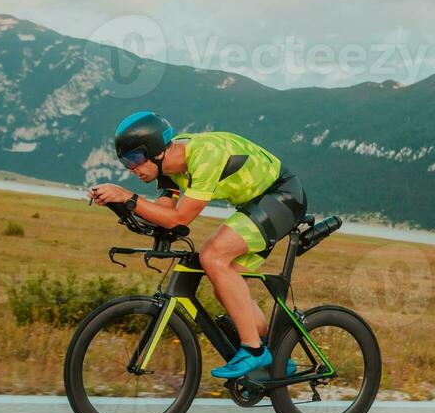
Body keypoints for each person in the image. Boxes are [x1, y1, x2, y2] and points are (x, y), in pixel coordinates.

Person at [89, 111, 307, 379]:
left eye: (134, 158)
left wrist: (126, 195)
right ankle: (277, 354)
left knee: (213, 257)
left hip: (281, 196)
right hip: (254, 203)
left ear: (157, 151)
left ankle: (253, 351)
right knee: (225, 285)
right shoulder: (168, 168)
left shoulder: (205, 156)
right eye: (125, 161)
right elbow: (164, 211)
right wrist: (120, 204)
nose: (131, 168)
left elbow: (180, 218)